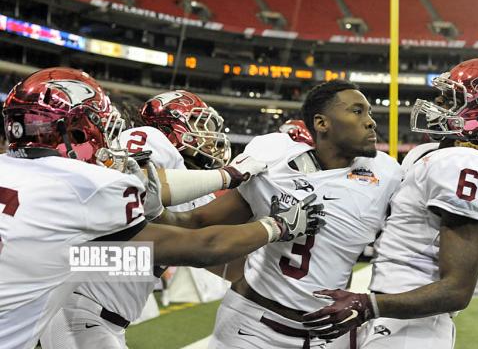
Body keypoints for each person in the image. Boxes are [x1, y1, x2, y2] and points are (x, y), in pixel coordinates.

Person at [0, 67, 324, 349]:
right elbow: (196, 239)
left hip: (77, 291)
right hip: (81, 311)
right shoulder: (115, 166)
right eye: (198, 123)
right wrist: (266, 215)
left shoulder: (13, 170)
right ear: (77, 129)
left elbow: (175, 233)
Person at [162, 79, 402, 348]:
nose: (371, 122)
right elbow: (197, 222)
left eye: (369, 112)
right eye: (357, 111)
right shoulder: (273, 159)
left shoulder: (386, 174)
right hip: (253, 327)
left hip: (327, 333)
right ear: (322, 123)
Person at [302, 58, 478, 349]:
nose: (438, 104)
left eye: (450, 99)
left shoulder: (465, 163)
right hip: (391, 314)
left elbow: (457, 289)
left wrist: (368, 306)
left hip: (412, 326)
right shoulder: (436, 153)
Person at [40, 89, 246, 348]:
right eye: (198, 123)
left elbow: (222, 261)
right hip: (79, 306)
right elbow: (133, 180)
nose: (209, 138)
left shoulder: (193, 186)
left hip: (99, 314)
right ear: (174, 125)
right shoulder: (151, 139)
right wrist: (228, 176)